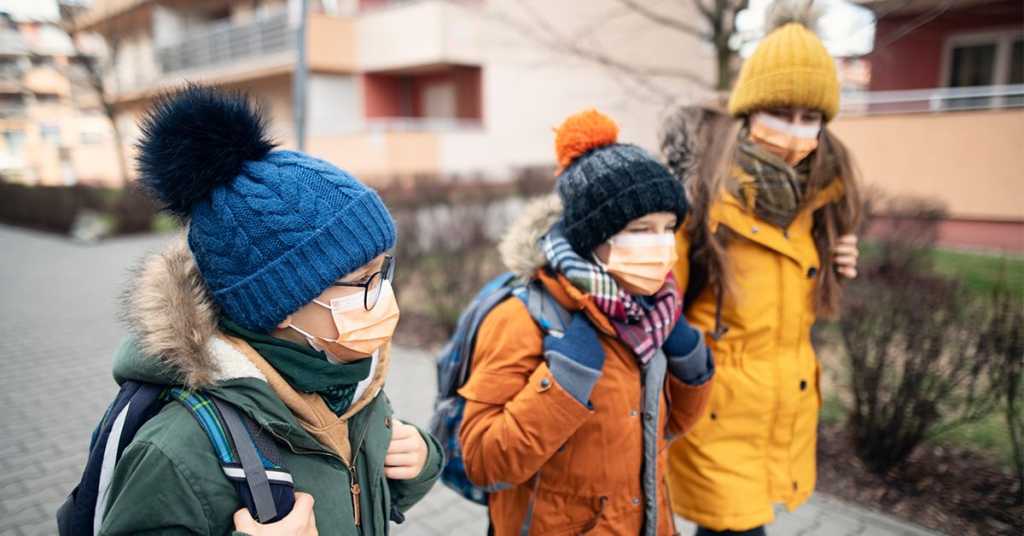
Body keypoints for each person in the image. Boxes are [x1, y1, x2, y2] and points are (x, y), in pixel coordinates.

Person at [96, 85, 442, 535]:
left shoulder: (345, 379)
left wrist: (421, 461)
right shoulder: (176, 450)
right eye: (362, 280)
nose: (383, 295)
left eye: (383, 271)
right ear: (281, 304)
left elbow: (355, 492)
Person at [458, 109, 715, 535]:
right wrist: (562, 385)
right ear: (592, 237)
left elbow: (663, 430)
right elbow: (483, 462)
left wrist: (691, 365)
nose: (662, 245)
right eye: (641, 229)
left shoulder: (653, 313)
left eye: (669, 227)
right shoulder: (523, 318)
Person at [660, 10, 863, 536]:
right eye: (779, 111)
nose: (794, 130)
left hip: (781, 408)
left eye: (809, 116)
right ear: (749, 111)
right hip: (715, 409)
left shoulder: (820, 198)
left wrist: (833, 267)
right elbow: (657, 302)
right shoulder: (701, 197)